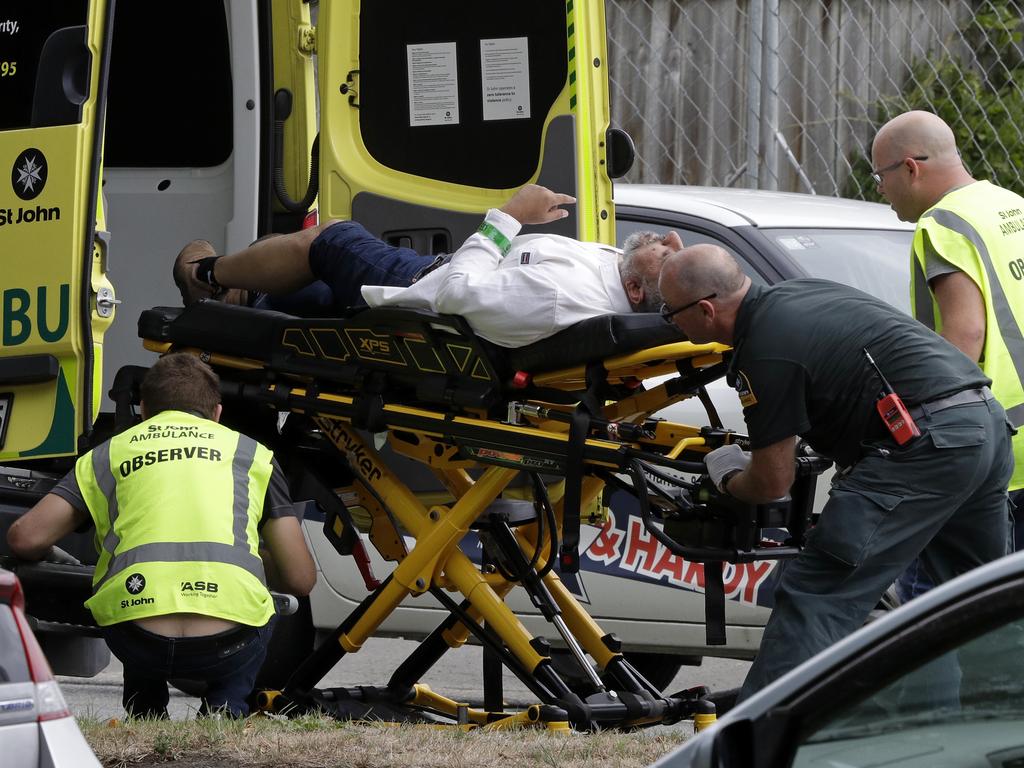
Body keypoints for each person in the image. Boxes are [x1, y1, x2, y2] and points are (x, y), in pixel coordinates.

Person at [658, 244, 1014, 701]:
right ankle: (994, 725)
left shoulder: (764, 350)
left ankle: (759, 735)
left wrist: (726, 473)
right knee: (978, 598)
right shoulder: (803, 293)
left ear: (706, 310)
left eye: (671, 313)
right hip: (983, 425)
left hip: (924, 446)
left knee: (818, 591)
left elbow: (771, 482)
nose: (670, 322)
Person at [6, 353, 316, 719]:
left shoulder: (110, 453)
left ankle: (146, 709)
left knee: (133, 594)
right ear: (217, 413)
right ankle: (225, 707)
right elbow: (300, 579)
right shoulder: (251, 454)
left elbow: (25, 539)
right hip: (228, 643)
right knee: (264, 610)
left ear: (142, 410)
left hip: (138, 639)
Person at [173, 184, 677, 348]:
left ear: (636, 291)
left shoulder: (559, 298)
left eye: (672, 254)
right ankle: (242, 302)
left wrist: (509, 218)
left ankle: (208, 276)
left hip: (425, 288)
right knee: (325, 298)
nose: (669, 238)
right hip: (438, 274)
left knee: (331, 240)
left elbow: (456, 295)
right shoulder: (620, 276)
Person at [872, 110, 1024, 601]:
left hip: (997, 449)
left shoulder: (942, 224)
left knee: (946, 617)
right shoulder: (1010, 205)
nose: (880, 189)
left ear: (910, 169)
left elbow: (965, 333)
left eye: (882, 176)